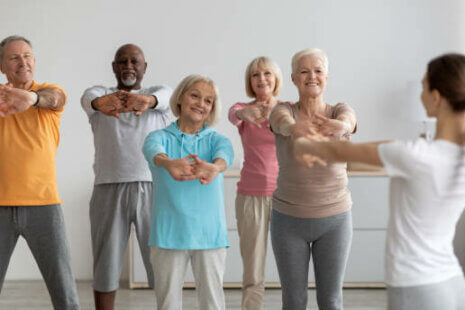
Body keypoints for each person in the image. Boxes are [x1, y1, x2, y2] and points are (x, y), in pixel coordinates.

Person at [294, 53, 465, 310]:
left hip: (416, 286)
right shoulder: (448, 156)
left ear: (437, 97)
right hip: (452, 281)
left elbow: (342, 152)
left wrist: (304, 146)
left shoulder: (415, 155)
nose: (420, 95)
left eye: (423, 87)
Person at [81, 44, 172, 310]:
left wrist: (148, 101)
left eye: (135, 61)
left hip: (153, 188)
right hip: (107, 188)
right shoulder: (100, 97)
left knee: (161, 261)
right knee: (106, 262)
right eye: (122, 61)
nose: (128, 65)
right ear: (114, 67)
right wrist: (101, 104)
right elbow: (88, 98)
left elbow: (167, 95)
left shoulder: (158, 99)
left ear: (145, 67)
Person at [269, 48, 357, 310]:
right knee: (294, 300)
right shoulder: (283, 110)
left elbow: (349, 119)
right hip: (288, 221)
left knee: (331, 300)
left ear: (326, 77)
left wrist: (341, 127)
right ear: (294, 78)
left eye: (318, 70)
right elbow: (280, 122)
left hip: (335, 220)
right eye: (304, 71)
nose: (312, 76)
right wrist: (295, 128)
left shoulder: (338, 111)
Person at [0, 35, 80, 309]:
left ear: (34, 60)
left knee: (65, 296)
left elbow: (54, 99)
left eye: (27, 56)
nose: (22, 62)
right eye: (13, 57)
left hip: (44, 206)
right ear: (2, 66)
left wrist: (30, 98)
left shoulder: (48, 92)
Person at [143, 74, 233, 310]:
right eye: (195, 95)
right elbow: (153, 150)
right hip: (169, 234)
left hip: (209, 235)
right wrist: (168, 163)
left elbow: (225, 156)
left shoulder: (216, 140)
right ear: (180, 98)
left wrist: (214, 167)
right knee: (168, 304)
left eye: (208, 100)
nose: (201, 104)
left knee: (212, 303)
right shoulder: (159, 136)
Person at [228, 56, 282, 310]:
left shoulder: (288, 109)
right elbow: (233, 114)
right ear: (250, 81)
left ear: (276, 78)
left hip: (287, 197)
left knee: (292, 269)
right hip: (251, 196)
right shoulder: (242, 109)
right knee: (253, 270)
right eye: (255, 75)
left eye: (267, 73)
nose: (262, 79)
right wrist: (244, 113)